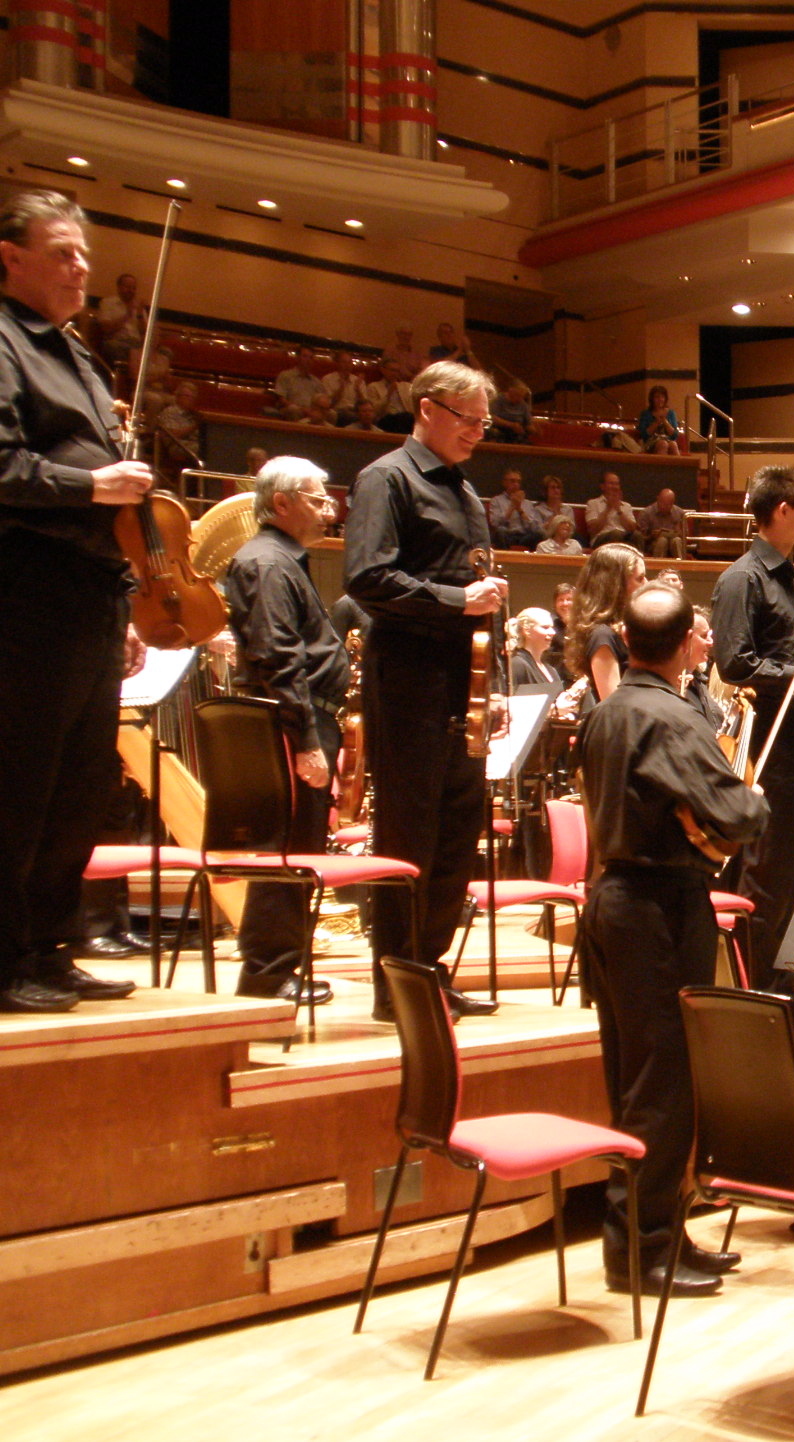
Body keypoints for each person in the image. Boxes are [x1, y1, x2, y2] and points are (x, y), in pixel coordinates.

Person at [579, 582, 768, 1298]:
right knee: (664, 1086)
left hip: (612, 900)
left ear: (625, 642)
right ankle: (644, 1251)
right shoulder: (673, 717)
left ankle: (656, 1231)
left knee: (634, 1079)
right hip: (659, 906)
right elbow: (732, 813)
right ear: (686, 641)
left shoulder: (607, 712)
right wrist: (753, 799)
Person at [0, 190, 153, 1013]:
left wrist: (128, 600)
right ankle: (5, 957)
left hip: (92, 591)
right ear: (10, 257)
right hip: (25, 589)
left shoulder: (80, 356)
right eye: (61, 252)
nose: (80, 267)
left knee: (78, 786)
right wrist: (89, 483)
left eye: (84, 254)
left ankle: (51, 947)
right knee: (19, 781)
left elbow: (119, 511)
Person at [342, 359, 512, 1023]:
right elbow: (366, 577)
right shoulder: (386, 478)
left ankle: (431, 969)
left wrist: (491, 682)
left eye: (483, 422)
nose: (477, 432)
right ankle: (396, 982)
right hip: (409, 679)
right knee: (408, 833)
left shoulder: (467, 494)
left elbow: (481, 592)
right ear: (427, 409)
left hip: (462, 686)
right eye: (467, 419)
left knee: (456, 834)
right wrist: (454, 599)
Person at [711, 466, 794, 1026]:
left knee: (793, 872)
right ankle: (762, 993)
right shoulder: (742, 579)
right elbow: (734, 663)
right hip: (767, 738)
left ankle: (789, 989)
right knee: (766, 877)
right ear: (782, 510)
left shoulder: (787, 578)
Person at [224, 459, 351, 1005]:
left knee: (297, 848)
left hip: (304, 718)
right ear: (281, 503)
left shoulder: (279, 560)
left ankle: (276, 968)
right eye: (317, 498)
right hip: (294, 722)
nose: (330, 508)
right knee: (288, 852)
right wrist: (306, 740)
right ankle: (269, 972)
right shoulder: (269, 564)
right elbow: (279, 659)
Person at [567, 542, 648, 704]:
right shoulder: (602, 636)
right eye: (640, 578)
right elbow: (614, 707)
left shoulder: (626, 629)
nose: (646, 583)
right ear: (616, 585)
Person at [90, 270, 146, 365]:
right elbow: (106, 329)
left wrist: (140, 314)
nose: (131, 290)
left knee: (165, 352)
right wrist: (127, 315)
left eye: (133, 288)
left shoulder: (139, 307)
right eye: (127, 287)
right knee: (113, 347)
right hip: (117, 342)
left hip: (137, 344)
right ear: (119, 287)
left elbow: (145, 333)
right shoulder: (108, 303)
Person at [485, 469, 544, 550]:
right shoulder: (496, 500)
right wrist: (512, 507)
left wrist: (520, 509)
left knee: (539, 534)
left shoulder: (528, 503)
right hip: (508, 535)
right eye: (512, 481)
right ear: (504, 483)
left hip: (524, 537)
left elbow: (533, 527)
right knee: (501, 531)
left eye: (518, 482)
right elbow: (495, 524)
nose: (516, 484)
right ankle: (505, 560)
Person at [507, 607, 563, 689]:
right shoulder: (517, 664)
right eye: (545, 627)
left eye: (552, 627)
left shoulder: (550, 669)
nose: (553, 632)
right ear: (527, 631)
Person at [271, 347, 327, 419]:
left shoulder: (316, 381)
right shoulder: (285, 375)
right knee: (293, 409)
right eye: (305, 356)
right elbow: (281, 399)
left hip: (311, 411)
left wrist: (315, 411)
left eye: (311, 357)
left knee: (331, 413)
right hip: (291, 409)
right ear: (297, 358)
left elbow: (322, 401)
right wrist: (303, 409)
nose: (308, 360)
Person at [584, 470, 640, 542]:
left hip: (624, 537)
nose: (614, 487)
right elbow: (592, 530)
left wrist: (619, 510)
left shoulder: (626, 506)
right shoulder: (593, 503)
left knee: (637, 535)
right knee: (616, 533)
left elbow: (632, 529)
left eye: (616, 484)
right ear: (602, 486)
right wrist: (608, 508)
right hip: (601, 538)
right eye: (611, 483)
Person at [636, 486, 689, 559]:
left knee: (677, 540)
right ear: (657, 499)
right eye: (662, 503)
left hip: (674, 542)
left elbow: (686, 536)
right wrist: (651, 535)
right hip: (653, 544)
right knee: (662, 541)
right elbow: (640, 537)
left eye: (668, 505)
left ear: (672, 503)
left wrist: (680, 532)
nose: (664, 507)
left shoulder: (680, 513)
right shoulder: (646, 513)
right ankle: (658, 566)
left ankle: (681, 565)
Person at [320, 350, 368, 421]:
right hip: (337, 412)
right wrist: (341, 388)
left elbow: (365, 405)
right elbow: (328, 405)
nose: (347, 365)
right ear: (337, 363)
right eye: (344, 362)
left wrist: (358, 390)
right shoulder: (328, 379)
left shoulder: (358, 381)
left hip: (355, 412)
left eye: (349, 363)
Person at [638, 385, 680, 456]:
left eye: (662, 397)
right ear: (652, 399)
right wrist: (656, 422)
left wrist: (665, 421)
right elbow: (644, 435)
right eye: (657, 397)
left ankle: (679, 466)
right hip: (651, 442)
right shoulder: (646, 414)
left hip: (668, 440)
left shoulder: (671, 413)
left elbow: (674, 435)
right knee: (663, 444)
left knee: (673, 444)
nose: (660, 399)